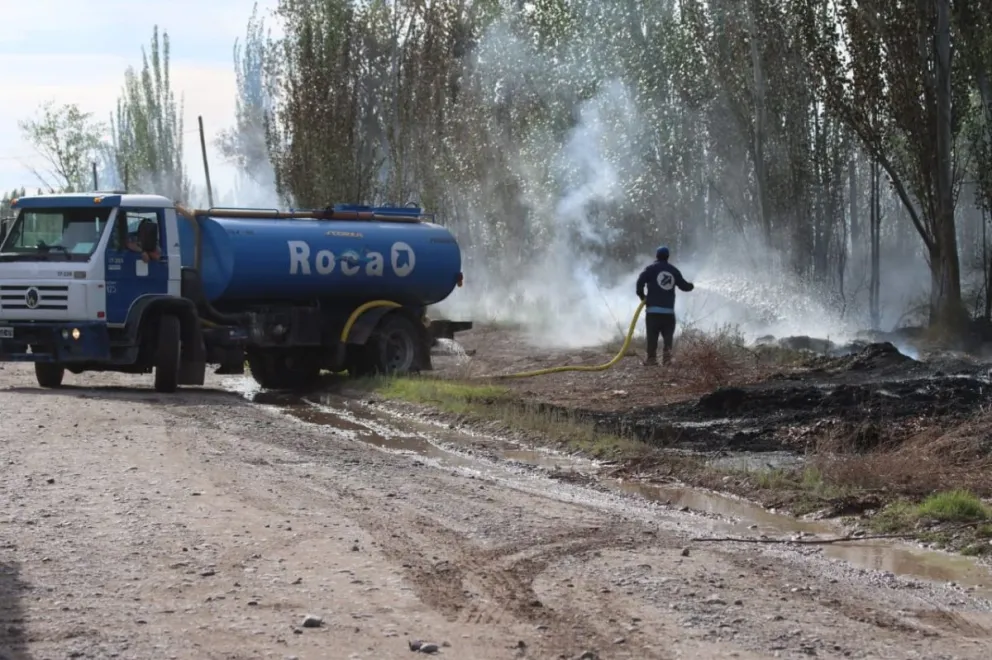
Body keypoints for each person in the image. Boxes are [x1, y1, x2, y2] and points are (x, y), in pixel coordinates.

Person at [635, 245, 694, 365]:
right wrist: (692, 285)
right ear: (668, 257)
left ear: (656, 256)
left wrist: (643, 297)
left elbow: (639, 284)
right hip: (668, 313)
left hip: (652, 312)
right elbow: (684, 287)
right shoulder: (673, 270)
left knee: (652, 337)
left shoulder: (650, 269)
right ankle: (667, 361)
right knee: (668, 338)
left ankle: (651, 360)